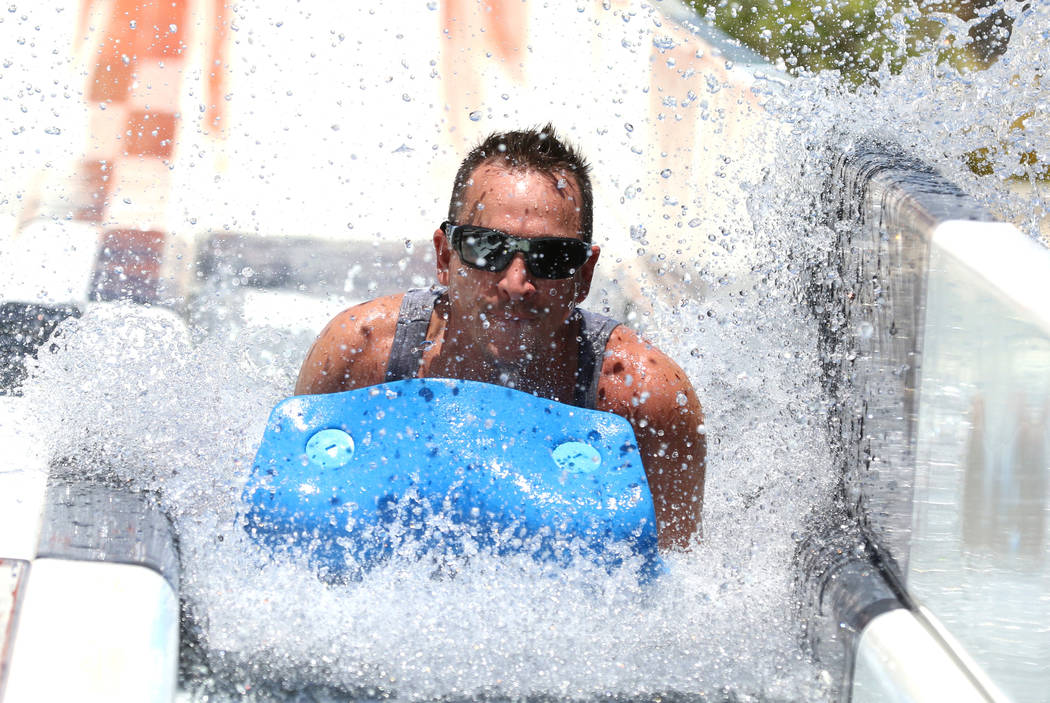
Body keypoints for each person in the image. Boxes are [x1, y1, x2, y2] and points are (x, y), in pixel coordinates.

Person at [296, 124, 705, 551]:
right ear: (444, 256)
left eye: (551, 257)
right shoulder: (364, 354)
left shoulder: (642, 398)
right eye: (486, 247)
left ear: (584, 274)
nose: (515, 283)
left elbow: (672, 585)